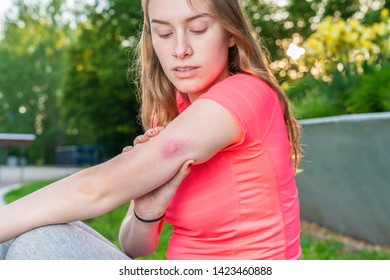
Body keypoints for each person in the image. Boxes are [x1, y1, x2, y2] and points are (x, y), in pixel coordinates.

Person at [0, 0, 301, 260]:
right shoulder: (173, 114)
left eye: (198, 29)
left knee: (37, 243)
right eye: (165, 33)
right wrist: (148, 207)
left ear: (230, 33)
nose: (180, 49)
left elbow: (95, 189)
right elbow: (133, 246)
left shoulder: (246, 94)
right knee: (27, 230)